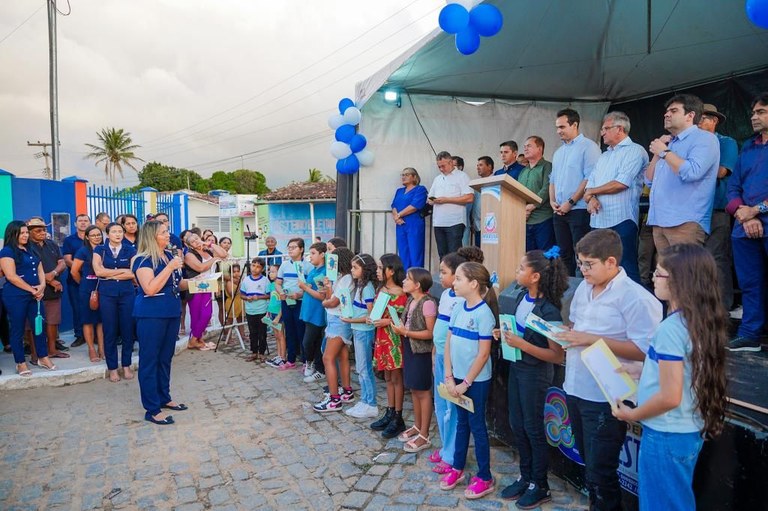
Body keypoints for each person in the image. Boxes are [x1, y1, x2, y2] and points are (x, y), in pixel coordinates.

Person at [614, 244, 727, 511]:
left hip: (666, 434)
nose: (653, 277)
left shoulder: (670, 329)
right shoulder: (697, 320)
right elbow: (684, 374)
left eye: (659, 272)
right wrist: (643, 371)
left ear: (678, 281)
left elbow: (670, 396)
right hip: (686, 430)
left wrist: (633, 415)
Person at [555, 229, 662, 511]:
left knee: (601, 472)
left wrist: (590, 339)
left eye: (588, 264)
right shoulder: (583, 289)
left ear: (611, 262)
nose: (583, 270)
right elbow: (578, 327)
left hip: (606, 396)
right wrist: (567, 334)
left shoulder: (636, 297)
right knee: (589, 466)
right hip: (575, 386)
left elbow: (646, 350)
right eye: (580, 263)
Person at [499, 248, 568, 508]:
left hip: (535, 375)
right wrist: (504, 334)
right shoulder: (520, 298)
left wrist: (522, 344)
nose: (516, 272)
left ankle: (540, 484)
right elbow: (520, 334)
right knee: (517, 424)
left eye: (521, 268)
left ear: (535, 276)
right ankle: (525, 476)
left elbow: (555, 354)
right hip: (517, 369)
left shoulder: (549, 311)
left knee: (533, 428)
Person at [440, 262, 498, 499]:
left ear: (473, 284)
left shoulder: (484, 314)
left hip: (476, 382)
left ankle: (485, 476)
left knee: (477, 426)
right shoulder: (457, 308)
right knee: (461, 423)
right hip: (456, 379)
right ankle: (457, 467)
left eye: (459, 279)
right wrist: (449, 376)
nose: (454, 282)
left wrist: (466, 383)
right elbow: (448, 343)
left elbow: (483, 354)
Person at [646, 94, 720, 249]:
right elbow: (648, 180)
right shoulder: (668, 142)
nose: (667, 114)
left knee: (685, 272)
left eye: (673, 111)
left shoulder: (705, 138)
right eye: (666, 111)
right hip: (659, 221)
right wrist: (657, 153)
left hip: (686, 222)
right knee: (666, 272)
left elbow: (692, 172)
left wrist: (665, 152)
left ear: (690, 115)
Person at [132, 220, 187, 425]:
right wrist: (170, 267)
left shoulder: (169, 256)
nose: (168, 234)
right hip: (151, 315)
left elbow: (176, 283)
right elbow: (150, 288)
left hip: (171, 311)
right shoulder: (142, 260)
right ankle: (152, 408)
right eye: (163, 232)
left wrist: (201, 282)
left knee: (165, 358)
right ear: (152, 236)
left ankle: (164, 397)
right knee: (150, 360)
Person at [583, 111, 649, 283]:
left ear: (619, 129)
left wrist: (592, 192)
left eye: (606, 128)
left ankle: (633, 308)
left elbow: (621, 183)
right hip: (598, 221)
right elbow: (590, 185)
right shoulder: (604, 155)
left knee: (625, 267)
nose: (602, 132)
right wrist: (591, 198)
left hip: (622, 220)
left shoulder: (635, 151)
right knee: (599, 268)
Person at [725, 92, 768, 352]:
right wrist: (742, 212)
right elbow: (733, 187)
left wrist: (757, 210)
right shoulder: (748, 147)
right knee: (750, 283)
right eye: (753, 112)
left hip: (757, 218)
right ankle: (750, 334)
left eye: (761, 112)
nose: (753, 117)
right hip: (744, 227)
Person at [697, 104, 738, 310]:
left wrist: (691, 170)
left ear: (715, 121)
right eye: (697, 117)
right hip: (692, 210)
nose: (699, 121)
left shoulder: (726, 142)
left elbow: (722, 171)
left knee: (717, 257)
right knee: (693, 260)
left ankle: (722, 308)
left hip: (717, 209)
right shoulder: (692, 143)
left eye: (704, 118)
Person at [550, 108, 601, 275]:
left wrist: (570, 202)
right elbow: (553, 180)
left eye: (562, 127)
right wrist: (552, 201)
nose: (558, 131)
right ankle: (565, 292)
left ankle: (582, 291)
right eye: (557, 127)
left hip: (578, 209)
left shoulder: (589, 147)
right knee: (563, 254)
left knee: (582, 254)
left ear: (575, 125)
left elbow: (589, 179)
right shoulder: (559, 152)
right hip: (559, 210)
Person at [391, 267, 436, 453]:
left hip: (422, 352)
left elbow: (430, 333)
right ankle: (417, 426)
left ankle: (424, 434)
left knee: (423, 391)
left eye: (407, 279)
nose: (403, 282)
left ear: (417, 285)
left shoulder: (427, 303)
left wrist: (406, 332)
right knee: (414, 390)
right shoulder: (411, 300)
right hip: (410, 348)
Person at [0, 221, 54, 375]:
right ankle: (20, 363)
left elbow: (40, 268)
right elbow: (11, 276)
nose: (25, 235)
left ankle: (42, 357)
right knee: (18, 329)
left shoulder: (31, 249)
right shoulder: (7, 251)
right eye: (21, 233)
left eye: (26, 232)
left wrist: (42, 285)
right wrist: (32, 290)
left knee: (39, 326)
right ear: (13, 234)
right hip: (16, 296)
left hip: (36, 295)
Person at [429, 253, 465, 474]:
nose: (440, 276)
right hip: (440, 357)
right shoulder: (444, 295)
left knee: (452, 409)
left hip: (453, 362)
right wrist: (434, 353)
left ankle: (452, 454)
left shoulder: (462, 300)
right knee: (440, 405)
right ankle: (444, 447)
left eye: (444, 272)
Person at [369, 253, 408, 438]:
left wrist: (385, 322)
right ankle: (390, 411)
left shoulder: (400, 293)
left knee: (396, 377)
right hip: (381, 337)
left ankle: (398, 416)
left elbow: (402, 318)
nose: (377, 271)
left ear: (391, 271)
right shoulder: (381, 289)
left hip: (394, 338)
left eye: (380, 268)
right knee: (387, 377)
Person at [93, 222, 137, 382]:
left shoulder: (130, 249)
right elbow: (98, 271)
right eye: (114, 231)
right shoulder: (100, 250)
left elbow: (133, 273)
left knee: (127, 329)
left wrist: (109, 275)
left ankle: (126, 365)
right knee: (110, 330)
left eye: (120, 231)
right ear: (107, 234)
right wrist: (121, 272)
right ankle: (112, 367)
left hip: (127, 293)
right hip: (107, 294)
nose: (118, 234)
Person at [314, 248, 356, 412]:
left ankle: (334, 399)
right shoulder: (339, 277)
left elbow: (333, 302)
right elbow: (330, 296)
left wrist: (325, 302)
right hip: (334, 319)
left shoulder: (346, 279)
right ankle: (346, 391)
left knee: (327, 358)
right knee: (342, 357)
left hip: (339, 321)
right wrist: (327, 287)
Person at [342, 254, 380, 419]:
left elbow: (370, 317)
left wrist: (350, 319)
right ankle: (365, 400)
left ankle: (370, 403)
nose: (352, 270)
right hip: (357, 329)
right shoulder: (360, 285)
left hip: (363, 331)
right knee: (361, 368)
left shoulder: (367, 288)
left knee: (364, 369)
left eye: (355, 267)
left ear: (365, 269)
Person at [27, 217, 69, 359]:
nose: (42, 232)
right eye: (38, 230)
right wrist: (50, 281)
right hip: (34, 290)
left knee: (52, 321)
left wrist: (53, 274)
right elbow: (28, 269)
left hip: (53, 292)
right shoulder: (26, 247)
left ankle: (52, 350)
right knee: (33, 324)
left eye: (44, 229)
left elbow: (62, 263)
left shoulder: (52, 244)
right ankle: (36, 354)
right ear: (29, 232)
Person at [183, 231, 227, 350]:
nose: (196, 242)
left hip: (208, 285)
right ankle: (196, 340)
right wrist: (214, 259)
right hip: (195, 285)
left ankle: (195, 339)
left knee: (207, 314)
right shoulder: (189, 255)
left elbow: (223, 254)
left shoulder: (208, 250)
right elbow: (200, 267)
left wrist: (211, 245)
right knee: (196, 315)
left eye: (197, 238)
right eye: (192, 241)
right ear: (190, 245)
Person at [428, 151, 474, 259]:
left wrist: (447, 200)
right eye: (439, 166)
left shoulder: (462, 176)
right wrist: (432, 200)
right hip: (438, 222)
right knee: (442, 254)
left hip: (455, 222)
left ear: (451, 163)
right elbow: (430, 197)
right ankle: (444, 275)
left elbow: (470, 197)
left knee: (454, 254)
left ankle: (456, 275)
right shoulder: (437, 178)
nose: (441, 169)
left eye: (443, 166)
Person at [275, 238, 312, 370]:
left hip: (301, 303)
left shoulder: (308, 266)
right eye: (289, 247)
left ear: (301, 249)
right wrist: (281, 293)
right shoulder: (284, 265)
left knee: (302, 332)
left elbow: (310, 286)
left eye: (294, 247)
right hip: (286, 302)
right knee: (289, 331)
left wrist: (299, 294)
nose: (290, 249)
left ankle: (306, 361)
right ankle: (290, 360)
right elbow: (278, 283)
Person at [72, 226, 105, 363]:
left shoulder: (104, 250)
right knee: (88, 320)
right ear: (87, 237)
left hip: (103, 287)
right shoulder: (83, 251)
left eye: (99, 235)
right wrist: (84, 284)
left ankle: (102, 349)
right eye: (93, 235)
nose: (97, 237)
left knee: (102, 320)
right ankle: (91, 349)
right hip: (87, 289)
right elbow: (74, 272)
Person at [298, 242, 328, 383]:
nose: (311, 257)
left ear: (322, 254)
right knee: (313, 342)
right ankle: (315, 365)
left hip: (317, 312)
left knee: (308, 342)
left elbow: (321, 295)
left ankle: (314, 365)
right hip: (308, 311)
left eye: (313, 253)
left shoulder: (324, 272)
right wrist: (307, 286)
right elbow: (311, 287)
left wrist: (305, 287)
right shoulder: (314, 270)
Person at [518, 136, 555, 251]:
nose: (525, 149)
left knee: (545, 255)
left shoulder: (547, 166)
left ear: (539, 148)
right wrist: (523, 209)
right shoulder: (523, 171)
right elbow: (518, 191)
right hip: (526, 220)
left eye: (529, 146)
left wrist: (531, 206)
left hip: (543, 219)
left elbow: (546, 189)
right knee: (529, 256)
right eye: (524, 147)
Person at [391, 167, 428, 269]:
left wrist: (399, 215)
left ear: (414, 177)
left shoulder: (420, 189)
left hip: (414, 224)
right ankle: (405, 278)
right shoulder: (399, 191)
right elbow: (394, 205)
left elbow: (415, 206)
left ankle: (416, 278)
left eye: (407, 174)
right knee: (403, 252)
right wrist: (396, 217)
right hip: (400, 224)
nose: (403, 177)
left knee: (415, 252)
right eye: (402, 175)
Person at [63, 213, 90, 347]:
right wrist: (81, 269)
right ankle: (80, 335)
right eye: (80, 221)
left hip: (93, 280)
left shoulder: (95, 238)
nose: (83, 223)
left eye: (86, 221)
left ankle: (93, 335)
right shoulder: (69, 240)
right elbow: (67, 260)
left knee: (94, 307)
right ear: (75, 224)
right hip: (75, 280)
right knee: (77, 308)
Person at [241, 257, 270, 362]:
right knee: (252, 332)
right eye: (253, 265)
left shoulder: (265, 280)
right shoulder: (246, 279)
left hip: (262, 310)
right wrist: (247, 298)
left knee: (262, 332)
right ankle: (254, 352)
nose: (255, 268)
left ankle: (262, 353)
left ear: (262, 269)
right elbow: (242, 295)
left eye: (258, 267)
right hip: (250, 310)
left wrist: (259, 297)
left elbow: (268, 295)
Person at [264, 263, 287, 368]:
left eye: (273, 272)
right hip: (272, 313)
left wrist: (278, 316)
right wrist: (268, 312)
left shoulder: (281, 286)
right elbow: (271, 300)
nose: (270, 274)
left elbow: (283, 303)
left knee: (281, 335)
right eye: (269, 271)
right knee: (276, 336)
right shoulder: (271, 285)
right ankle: (278, 355)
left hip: (279, 314)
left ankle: (283, 357)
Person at [472, 157, 495, 247]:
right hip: (478, 226)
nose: (478, 167)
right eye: (477, 165)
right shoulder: (477, 183)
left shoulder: (496, 181)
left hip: (491, 227)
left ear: (489, 167)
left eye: (481, 165)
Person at [222, 262, 245, 343]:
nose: (236, 273)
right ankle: (228, 337)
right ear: (230, 273)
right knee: (229, 320)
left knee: (241, 320)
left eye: (238, 271)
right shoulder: (229, 282)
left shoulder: (241, 279)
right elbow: (232, 293)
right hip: (232, 302)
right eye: (234, 272)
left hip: (240, 301)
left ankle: (243, 336)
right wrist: (238, 285)